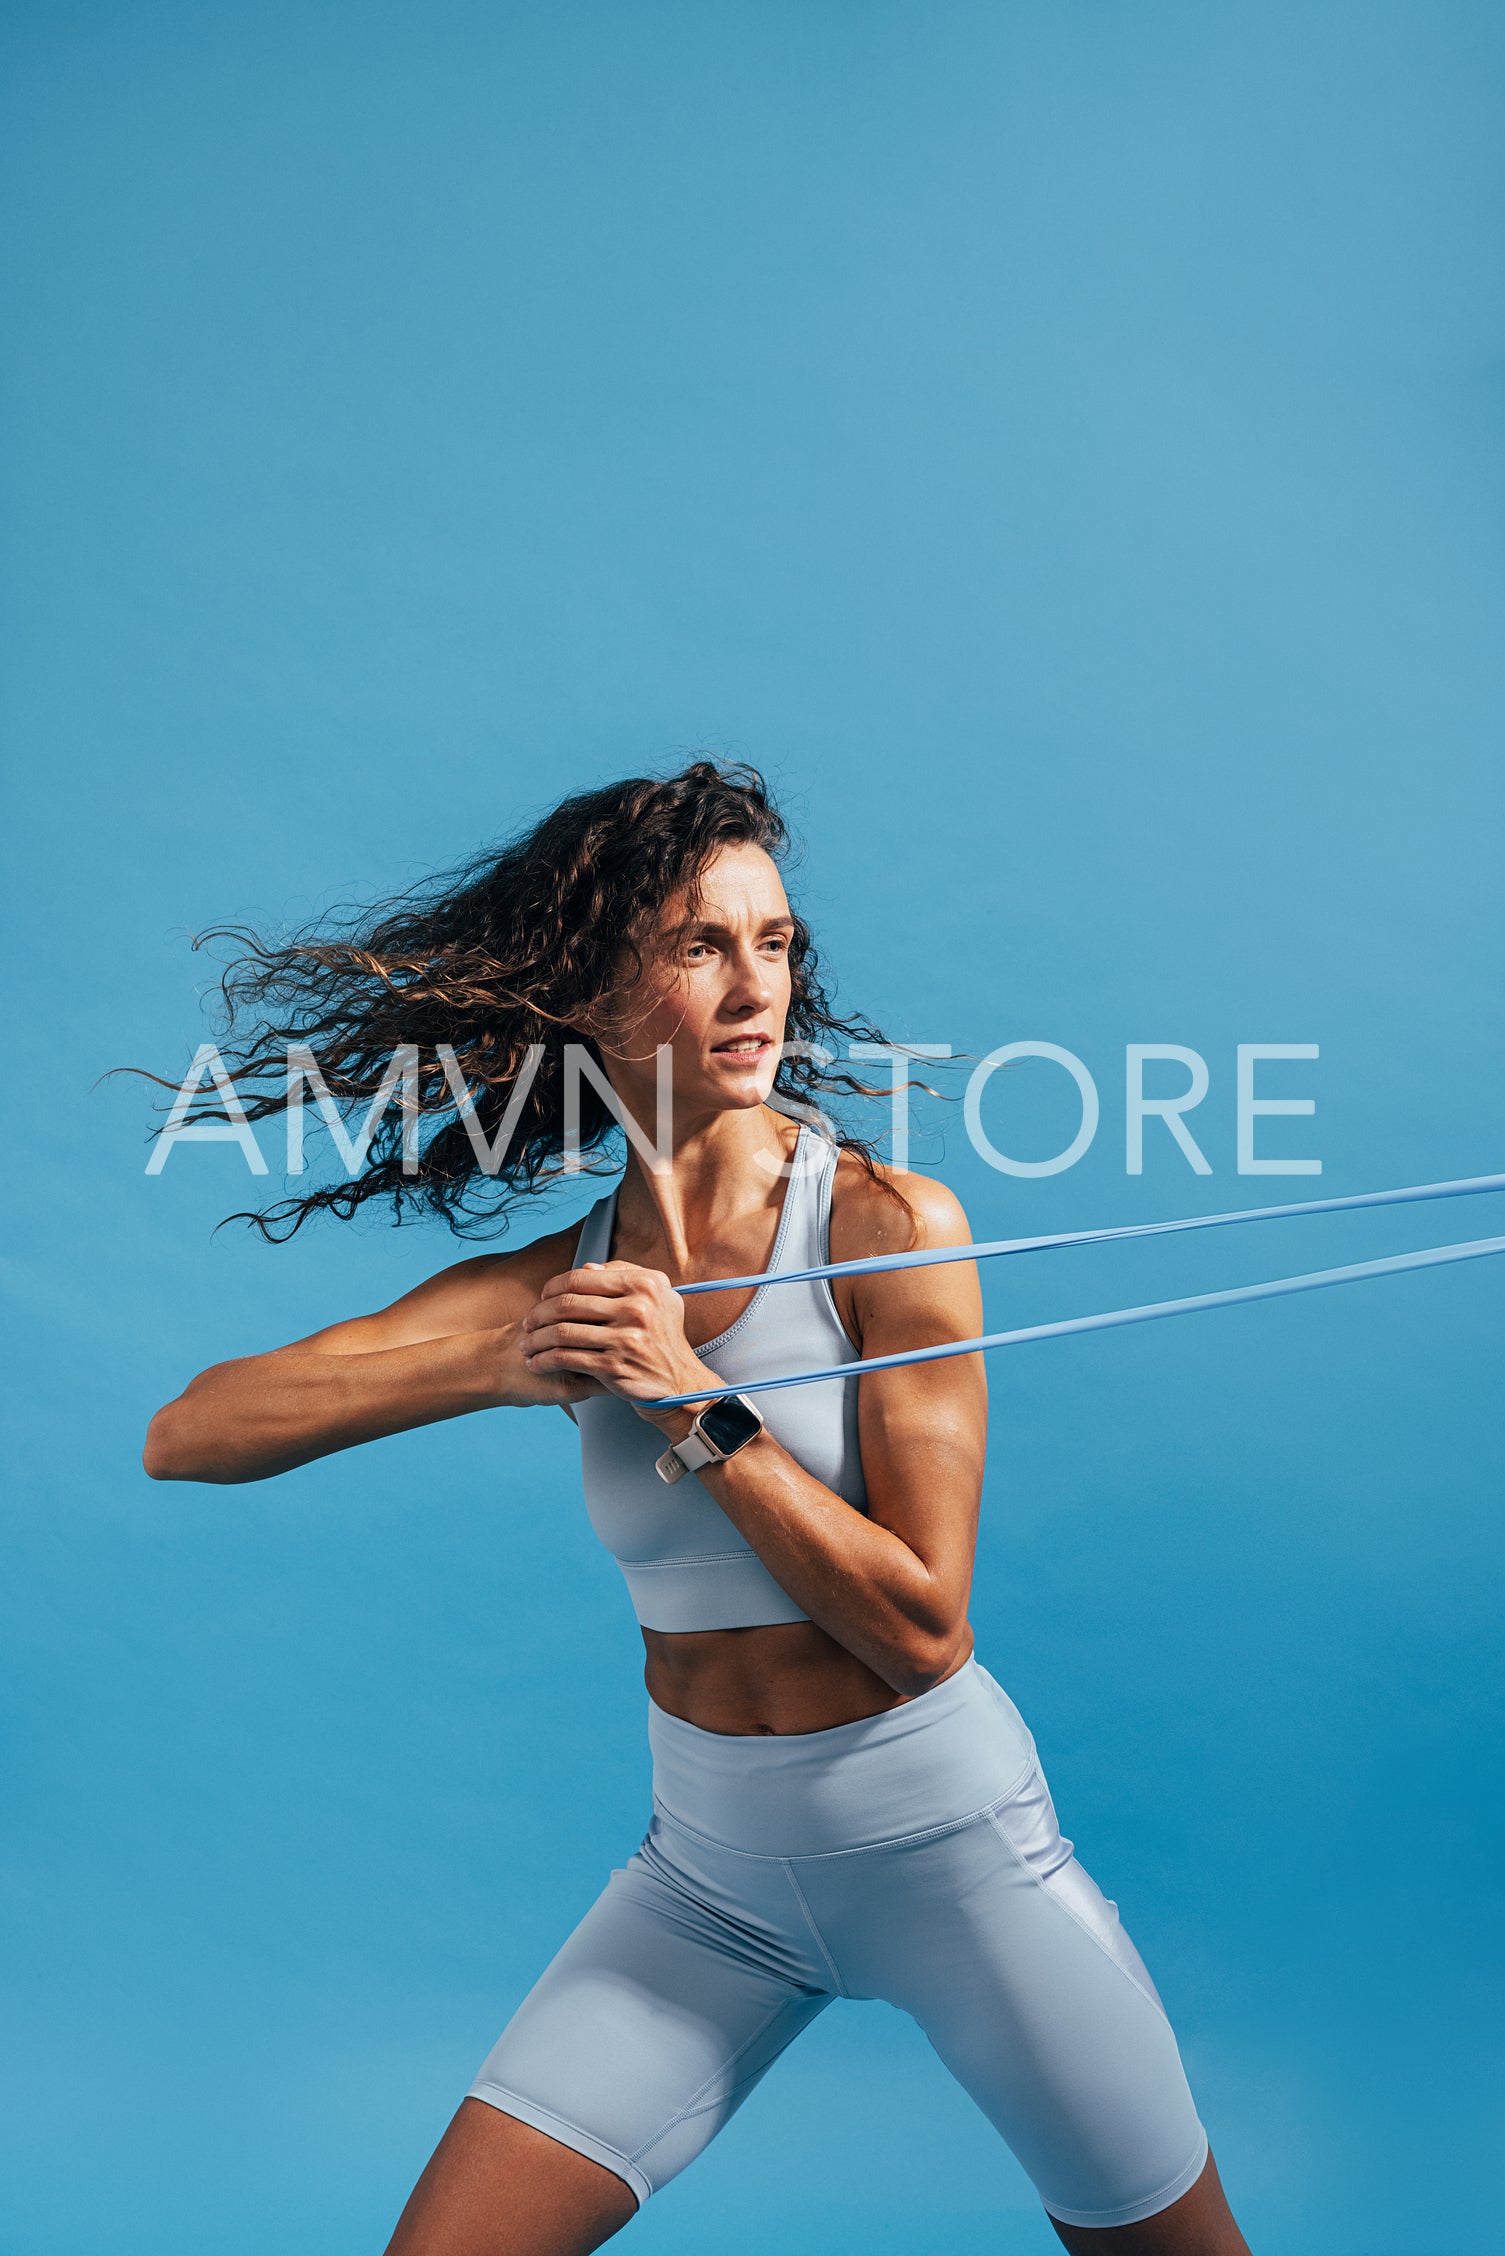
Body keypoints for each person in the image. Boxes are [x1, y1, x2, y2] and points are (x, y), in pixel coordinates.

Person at [144, 763, 1252, 2256]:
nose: (756, 989)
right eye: (700, 945)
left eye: (776, 943)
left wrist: (691, 1398)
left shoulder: (881, 1225)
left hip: (949, 1855)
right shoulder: (559, 1284)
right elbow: (188, 1433)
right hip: (706, 1884)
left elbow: (924, 1626)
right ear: (590, 992)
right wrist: (490, 1358)